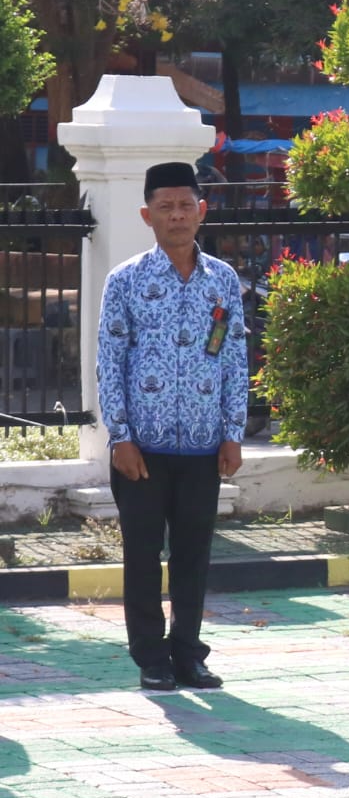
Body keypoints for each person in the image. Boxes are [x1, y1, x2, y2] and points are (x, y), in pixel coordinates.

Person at [97, 162, 248, 692]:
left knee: (193, 556)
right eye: (166, 207)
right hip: (141, 449)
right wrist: (120, 437)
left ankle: (188, 654)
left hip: (204, 447)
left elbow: (233, 358)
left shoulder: (223, 282)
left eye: (186, 205)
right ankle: (151, 658)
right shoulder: (125, 281)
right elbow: (109, 363)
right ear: (148, 215)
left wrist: (232, 432)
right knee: (142, 557)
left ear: (202, 211)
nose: (177, 216)